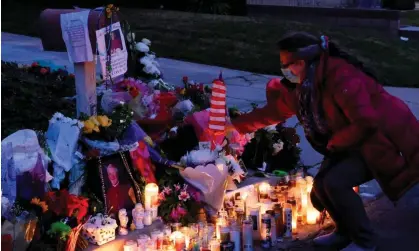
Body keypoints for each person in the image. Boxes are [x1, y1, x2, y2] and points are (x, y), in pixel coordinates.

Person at [229, 32, 419, 251]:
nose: (284, 71)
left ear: (301, 62)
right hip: (352, 142)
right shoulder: (306, 86)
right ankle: (344, 231)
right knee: (320, 186)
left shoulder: (341, 78)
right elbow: (275, 111)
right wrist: (235, 126)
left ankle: (365, 242)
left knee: (336, 183)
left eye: (286, 65)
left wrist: (335, 143)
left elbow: (366, 121)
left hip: (381, 141)